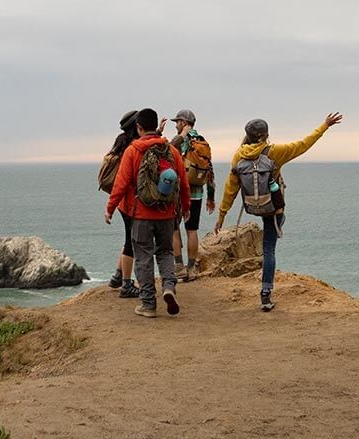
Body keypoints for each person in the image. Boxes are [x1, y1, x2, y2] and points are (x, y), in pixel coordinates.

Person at [214, 112, 343, 311]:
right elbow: (304, 144)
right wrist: (324, 126)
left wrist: (221, 216)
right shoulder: (275, 152)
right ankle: (265, 295)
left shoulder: (239, 155)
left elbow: (230, 188)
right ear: (266, 135)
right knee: (268, 249)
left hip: (252, 206)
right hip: (274, 208)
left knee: (267, 246)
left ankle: (266, 294)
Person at [106, 108, 191, 318]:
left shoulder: (133, 151)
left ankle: (148, 304)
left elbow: (121, 183)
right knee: (165, 252)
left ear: (139, 127)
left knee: (143, 257)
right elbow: (184, 183)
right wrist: (186, 208)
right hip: (166, 213)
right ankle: (169, 287)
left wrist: (110, 209)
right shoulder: (170, 151)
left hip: (141, 215)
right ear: (156, 126)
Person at [158, 109, 215, 281]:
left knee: (174, 229)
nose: (176, 125)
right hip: (197, 193)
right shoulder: (203, 141)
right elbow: (209, 170)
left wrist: (179, 136)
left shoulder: (183, 141)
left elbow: (167, 149)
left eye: (177, 122)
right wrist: (211, 197)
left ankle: (178, 267)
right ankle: (191, 268)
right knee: (192, 230)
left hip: (179, 192)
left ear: (183, 122)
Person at [105, 110, 140, 298]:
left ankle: (118, 276)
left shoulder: (122, 143)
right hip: (131, 203)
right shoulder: (132, 148)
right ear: (137, 126)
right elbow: (123, 181)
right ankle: (126, 285)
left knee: (129, 239)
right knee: (131, 243)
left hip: (124, 204)